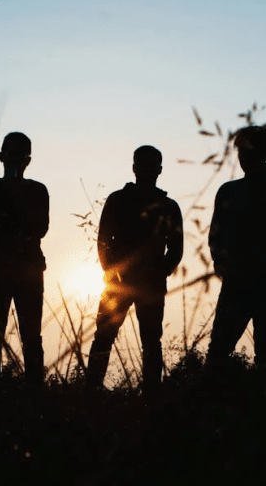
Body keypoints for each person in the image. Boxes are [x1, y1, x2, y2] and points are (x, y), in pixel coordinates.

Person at [87, 146, 183, 394]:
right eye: (144, 164)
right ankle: (92, 390)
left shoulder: (166, 206)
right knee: (106, 338)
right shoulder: (119, 200)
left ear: (159, 169)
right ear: (135, 168)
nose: (147, 170)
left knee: (148, 341)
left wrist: (159, 271)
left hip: (144, 284)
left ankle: (149, 394)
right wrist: (112, 272)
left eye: (151, 165)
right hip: (119, 283)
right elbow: (103, 241)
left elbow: (175, 248)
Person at [206, 126, 266, 369]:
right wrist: (224, 266)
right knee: (218, 351)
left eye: (247, 150)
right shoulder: (229, 191)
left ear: (265, 152)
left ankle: (262, 404)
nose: (242, 157)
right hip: (238, 284)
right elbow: (216, 237)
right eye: (240, 151)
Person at [0, 132, 49, 383]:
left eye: (21, 155)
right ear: (2, 156)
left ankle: (35, 394)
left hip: (29, 273)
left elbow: (41, 228)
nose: (16, 160)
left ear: (28, 160)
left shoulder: (37, 191)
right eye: (12, 154)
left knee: (31, 336)